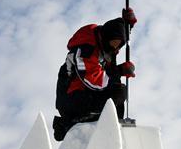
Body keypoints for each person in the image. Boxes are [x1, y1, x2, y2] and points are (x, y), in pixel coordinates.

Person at [53, 8, 137, 141]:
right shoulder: (86, 49)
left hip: (86, 93)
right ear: (106, 38)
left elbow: (119, 33)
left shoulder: (104, 41)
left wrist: (128, 23)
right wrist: (120, 70)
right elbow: (94, 80)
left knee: (118, 90)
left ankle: (116, 122)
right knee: (115, 93)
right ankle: (68, 123)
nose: (115, 48)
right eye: (113, 43)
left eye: (118, 45)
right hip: (72, 98)